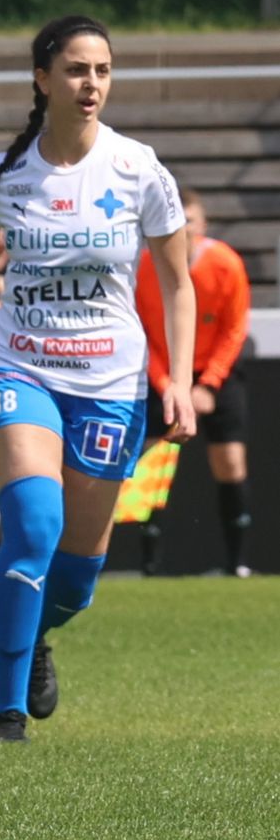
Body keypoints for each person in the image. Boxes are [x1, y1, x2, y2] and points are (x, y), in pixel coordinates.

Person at [0, 14, 197, 745]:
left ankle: (37, 636)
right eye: (75, 70)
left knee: (75, 581)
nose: (90, 83)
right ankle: (5, 716)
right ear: (42, 79)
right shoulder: (5, 177)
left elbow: (177, 282)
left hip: (110, 383)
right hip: (19, 368)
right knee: (33, 525)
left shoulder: (138, 169)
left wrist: (179, 380)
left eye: (101, 70)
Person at [130, 187, 252, 576]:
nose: (182, 229)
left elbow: (234, 330)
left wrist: (208, 384)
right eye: (175, 221)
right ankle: (148, 564)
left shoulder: (226, 265)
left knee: (230, 462)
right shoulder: (144, 268)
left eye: (190, 221)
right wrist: (167, 383)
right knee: (153, 465)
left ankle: (237, 564)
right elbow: (141, 333)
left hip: (214, 375)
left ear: (203, 225)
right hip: (164, 375)